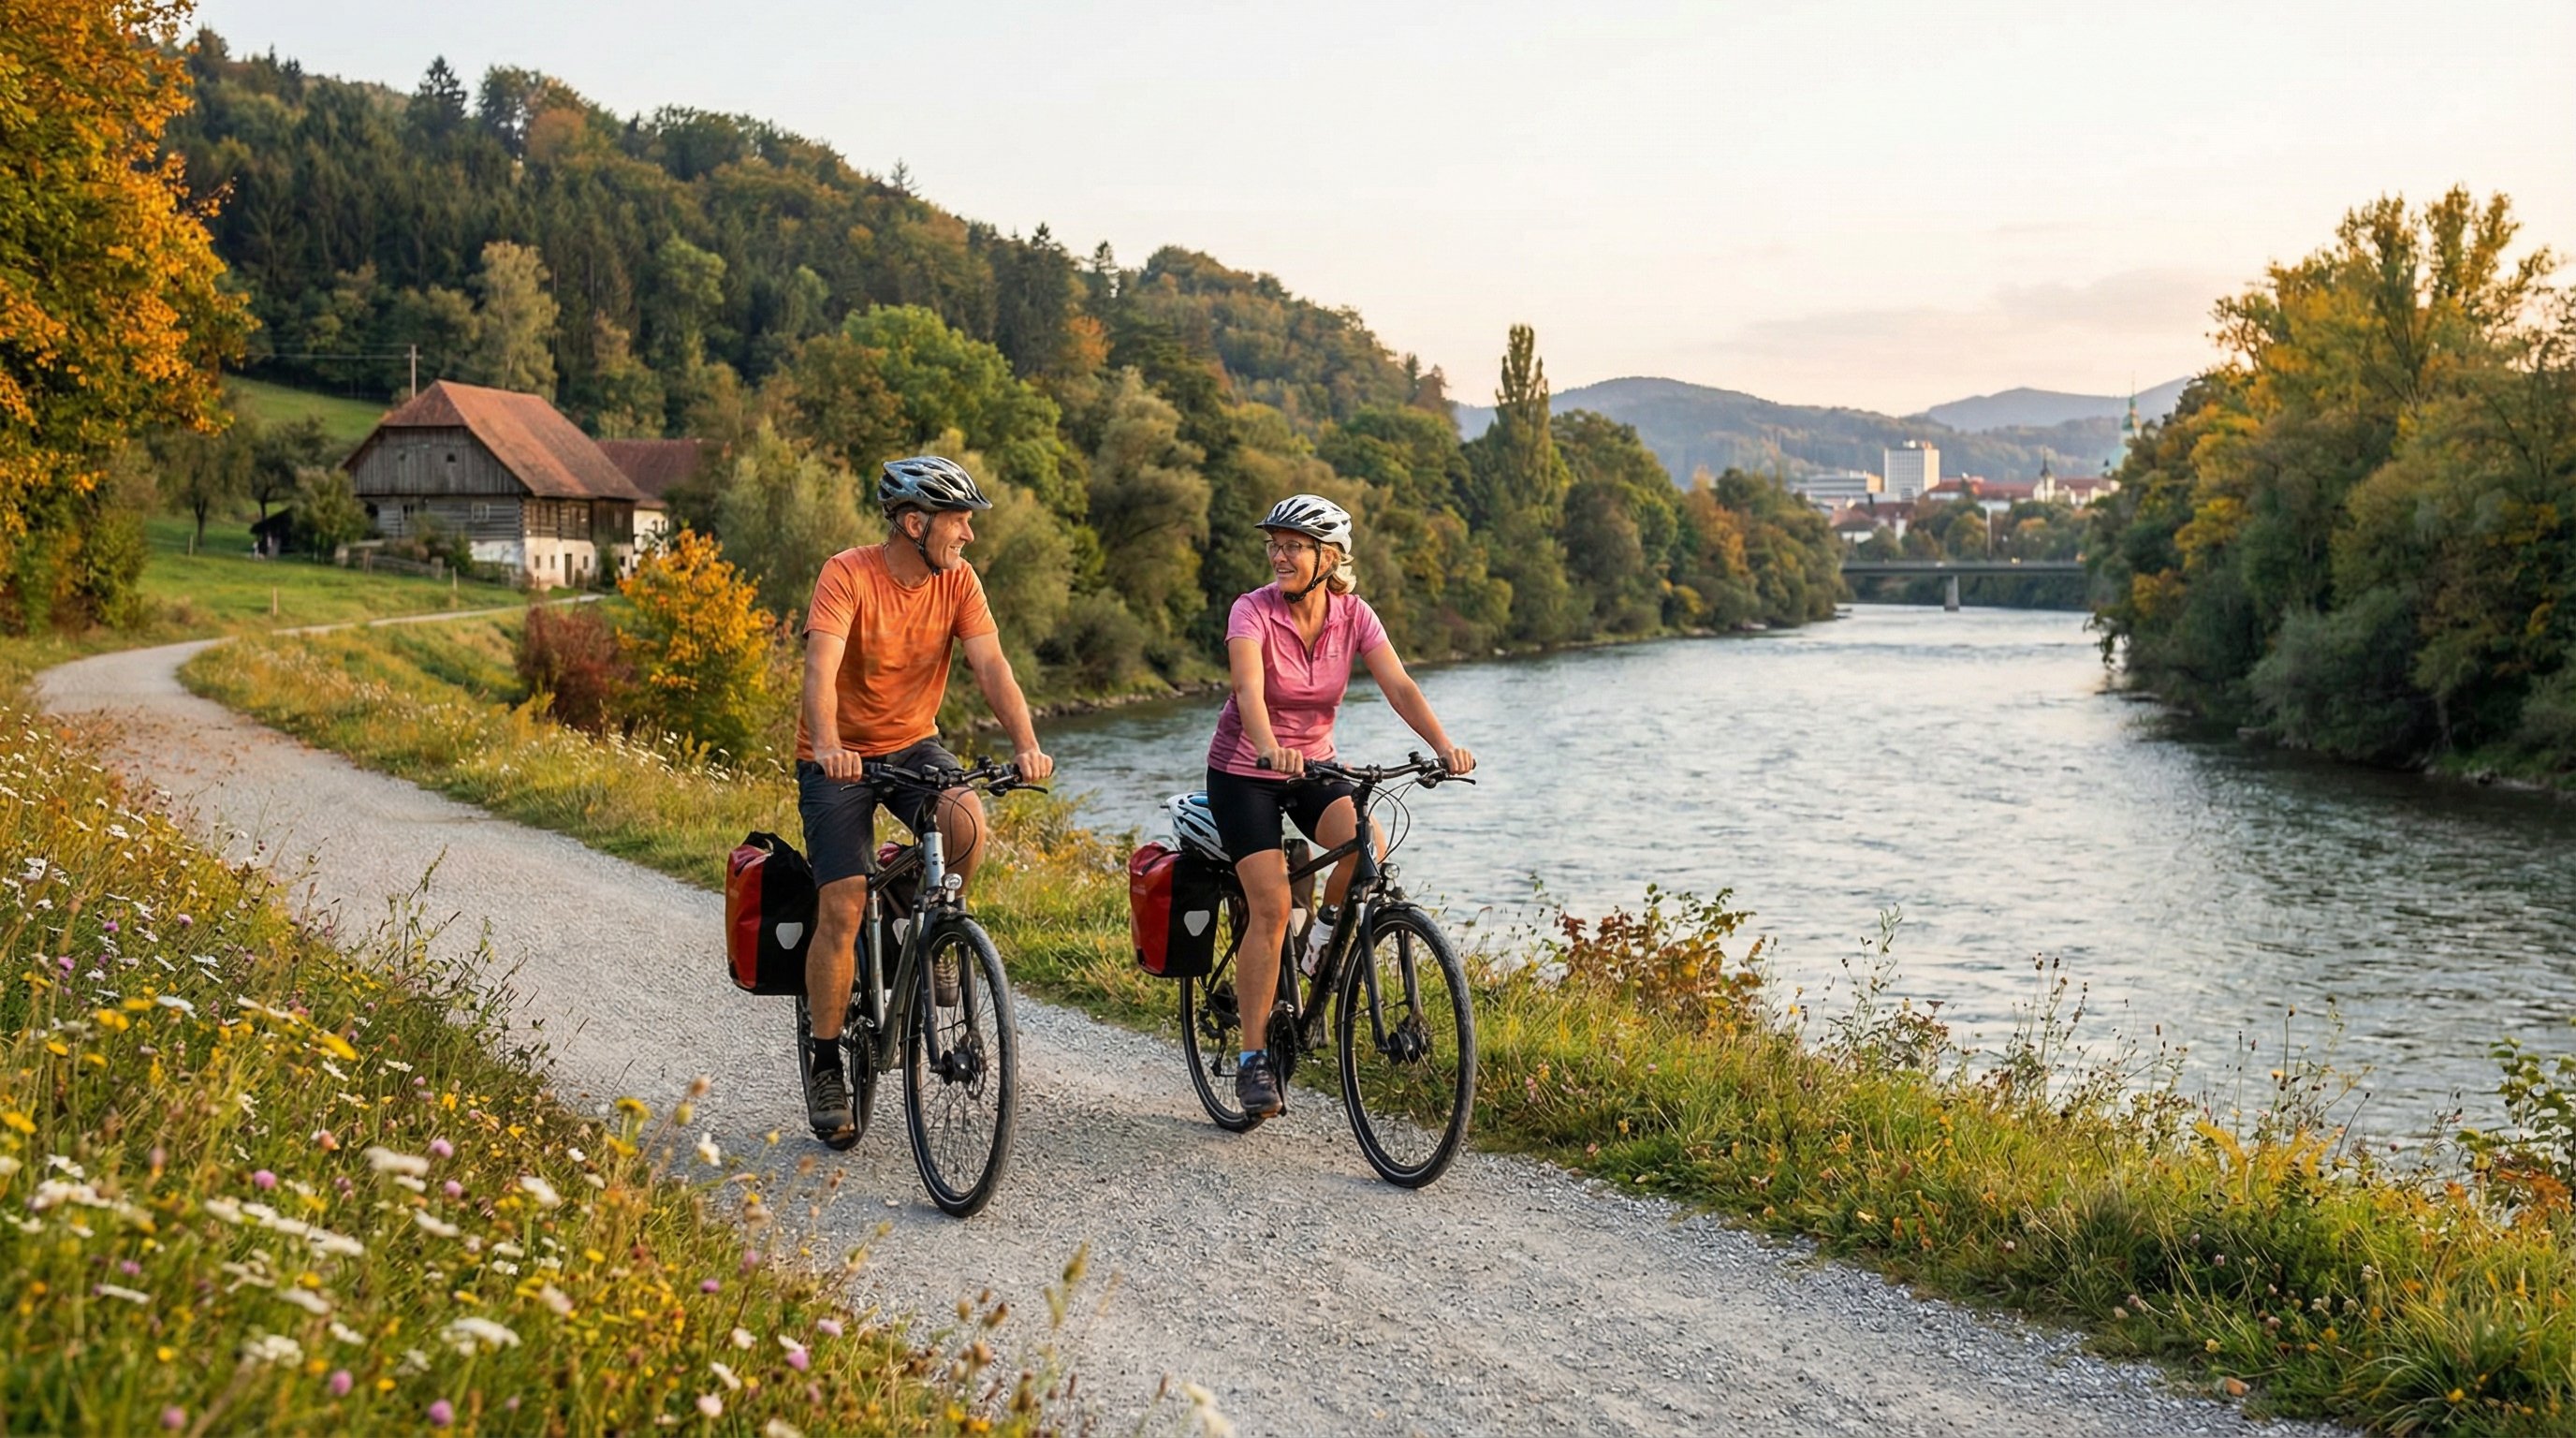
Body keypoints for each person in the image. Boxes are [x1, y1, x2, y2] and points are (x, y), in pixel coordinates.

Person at [796, 455, 1054, 1149]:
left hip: (913, 744)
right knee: (845, 902)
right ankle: (826, 1062)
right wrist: (828, 743)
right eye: (958, 522)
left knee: (966, 824)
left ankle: (928, 919)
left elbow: (991, 665)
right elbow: (820, 667)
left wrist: (1027, 744)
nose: (968, 535)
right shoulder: (846, 574)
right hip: (838, 758)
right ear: (915, 524)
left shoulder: (960, 581)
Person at [1204, 493, 1474, 1119]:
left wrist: (1442, 746)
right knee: (1270, 908)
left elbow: (1398, 683)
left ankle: (1320, 938)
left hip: (1315, 767)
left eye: (1293, 545)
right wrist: (1270, 747)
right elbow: (1247, 687)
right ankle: (1252, 1061)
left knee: (1367, 843)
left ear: (1329, 558)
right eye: (1274, 543)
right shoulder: (1252, 611)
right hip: (1246, 771)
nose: (1278, 554)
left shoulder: (1353, 615)